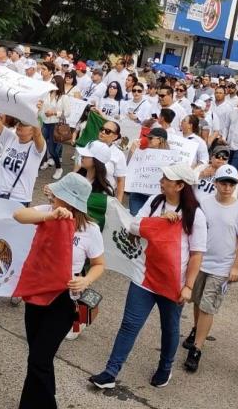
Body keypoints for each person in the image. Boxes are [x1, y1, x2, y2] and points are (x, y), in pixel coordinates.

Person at [90, 163, 206, 390]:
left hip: (174, 283)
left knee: (170, 329)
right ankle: (111, 371)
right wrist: (161, 221)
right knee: (129, 324)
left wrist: (189, 286)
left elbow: (196, 255)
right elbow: (134, 226)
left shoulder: (195, 215)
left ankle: (165, 368)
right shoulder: (155, 201)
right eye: (163, 176)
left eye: (167, 179)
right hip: (144, 276)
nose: (161, 181)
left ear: (180, 185)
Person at [14, 174, 104, 408]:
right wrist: (49, 215)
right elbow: (18, 215)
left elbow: (99, 264)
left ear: (69, 199)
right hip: (37, 290)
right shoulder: (48, 210)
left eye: (57, 194)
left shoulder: (90, 229)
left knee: (39, 358)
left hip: (64, 298)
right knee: (37, 355)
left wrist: (85, 280)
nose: (52, 196)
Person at [182, 164, 238, 373]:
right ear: (216, 183)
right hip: (200, 261)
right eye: (223, 182)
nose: (227, 187)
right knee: (196, 300)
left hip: (221, 267)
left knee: (207, 306)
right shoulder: (204, 203)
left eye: (231, 183)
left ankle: (196, 349)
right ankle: (196, 329)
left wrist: (236, 267)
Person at [39, 75, 69, 180]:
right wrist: (43, 112)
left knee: (52, 149)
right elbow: (42, 109)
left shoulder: (63, 97)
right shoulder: (47, 94)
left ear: (59, 84)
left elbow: (68, 113)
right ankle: (43, 162)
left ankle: (59, 168)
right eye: (52, 81)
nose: (52, 83)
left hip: (56, 125)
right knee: (41, 145)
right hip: (45, 123)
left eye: (54, 82)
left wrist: (54, 112)